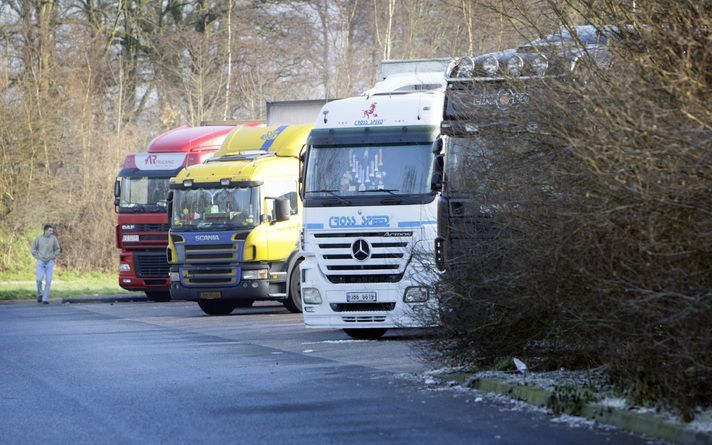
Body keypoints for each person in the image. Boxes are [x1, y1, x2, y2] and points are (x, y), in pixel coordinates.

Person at [30, 224, 61, 304]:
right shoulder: (38, 238)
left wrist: (53, 256)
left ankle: (45, 299)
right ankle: (39, 295)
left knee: (48, 281)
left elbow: (57, 249)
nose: (51, 232)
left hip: (50, 262)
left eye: (52, 231)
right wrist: (37, 256)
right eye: (50, 230)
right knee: (39, 279)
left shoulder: (53, 239)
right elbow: (33, 248)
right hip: (40, 261)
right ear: (45, 230)